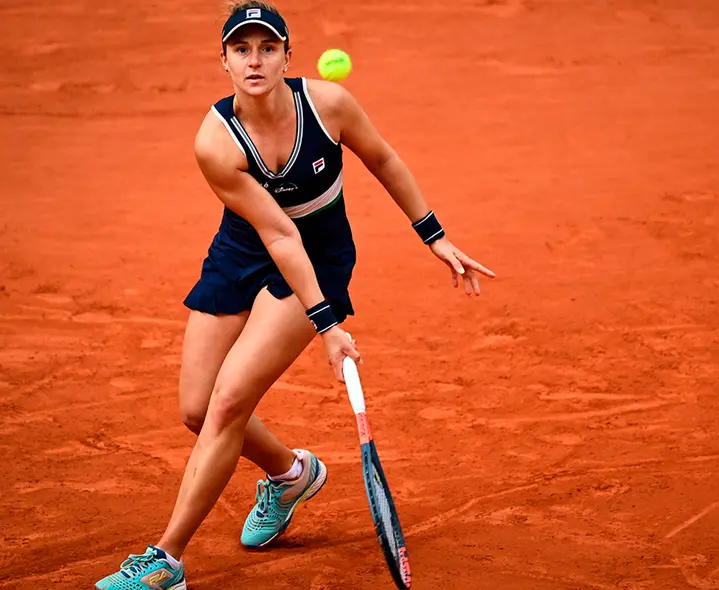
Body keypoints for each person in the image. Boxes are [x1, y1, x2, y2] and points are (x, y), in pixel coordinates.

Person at [95, 2, 494, 588]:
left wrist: (432, 235)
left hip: (323, 255)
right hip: (247, 246)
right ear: (224, 61)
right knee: (197, 410)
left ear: (287, 55)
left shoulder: (327, 105)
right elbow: (278, 233)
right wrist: (331, 329)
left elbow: (381, 157)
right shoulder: (216, 142)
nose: (254, 61)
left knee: (229, 402)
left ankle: (167, 560)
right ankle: (290, 475)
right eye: (241, 50)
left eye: (266, 48)